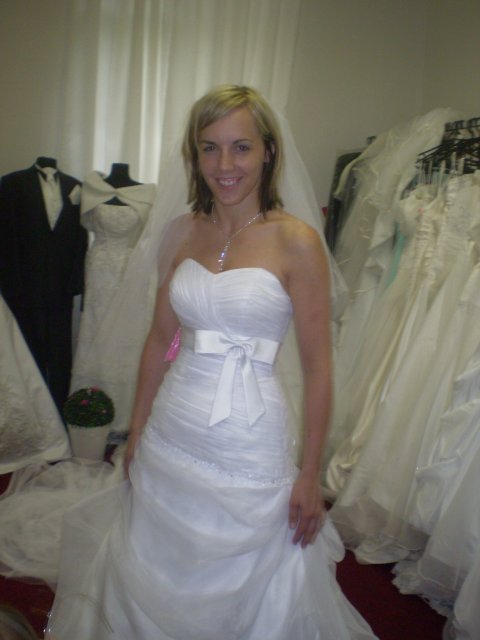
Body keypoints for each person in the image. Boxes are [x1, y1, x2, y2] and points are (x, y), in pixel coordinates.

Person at [46, 85, 376, 639]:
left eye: (241, 147)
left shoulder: (296, 241)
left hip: (250, 435)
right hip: (174, 424)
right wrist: (137, 430)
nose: (225, 165)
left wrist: (310, 474)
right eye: (210, 148)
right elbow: (159, 339)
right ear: (194, 155)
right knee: (154, 557)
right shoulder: (180, 232)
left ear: (268, 152)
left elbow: (319, 368)